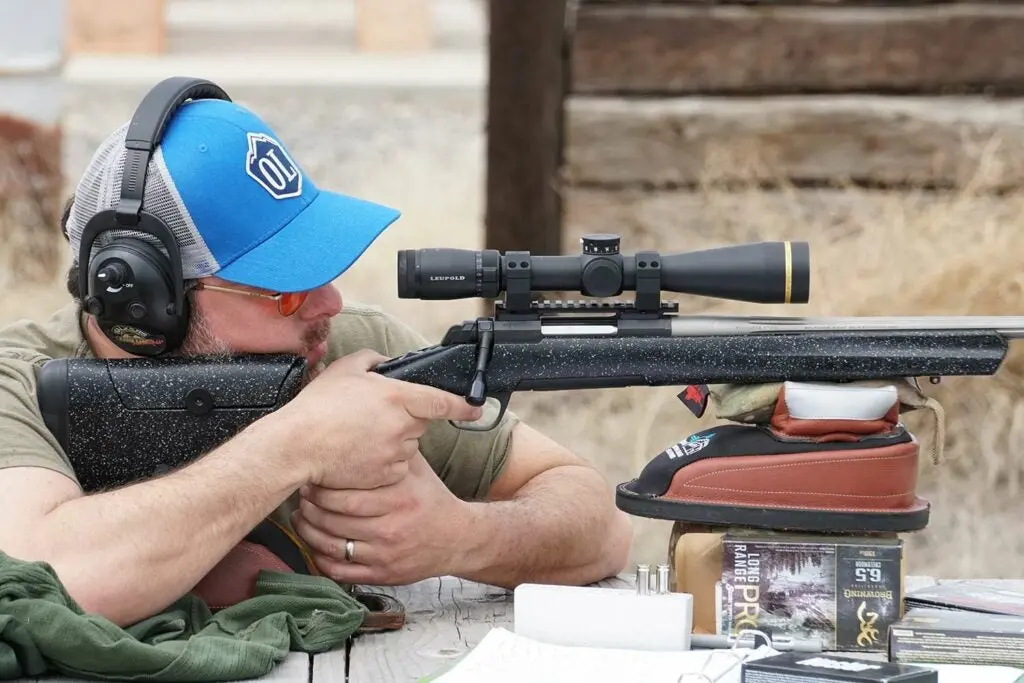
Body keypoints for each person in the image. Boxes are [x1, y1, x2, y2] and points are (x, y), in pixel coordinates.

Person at [0, 93, 633, 627]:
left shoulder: (346, 350)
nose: (328, 301)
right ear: (145, 297)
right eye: (284, 287)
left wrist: (462, 538)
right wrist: (298, 443)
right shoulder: (18, 380)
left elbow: (596, 522)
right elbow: (50, 578)